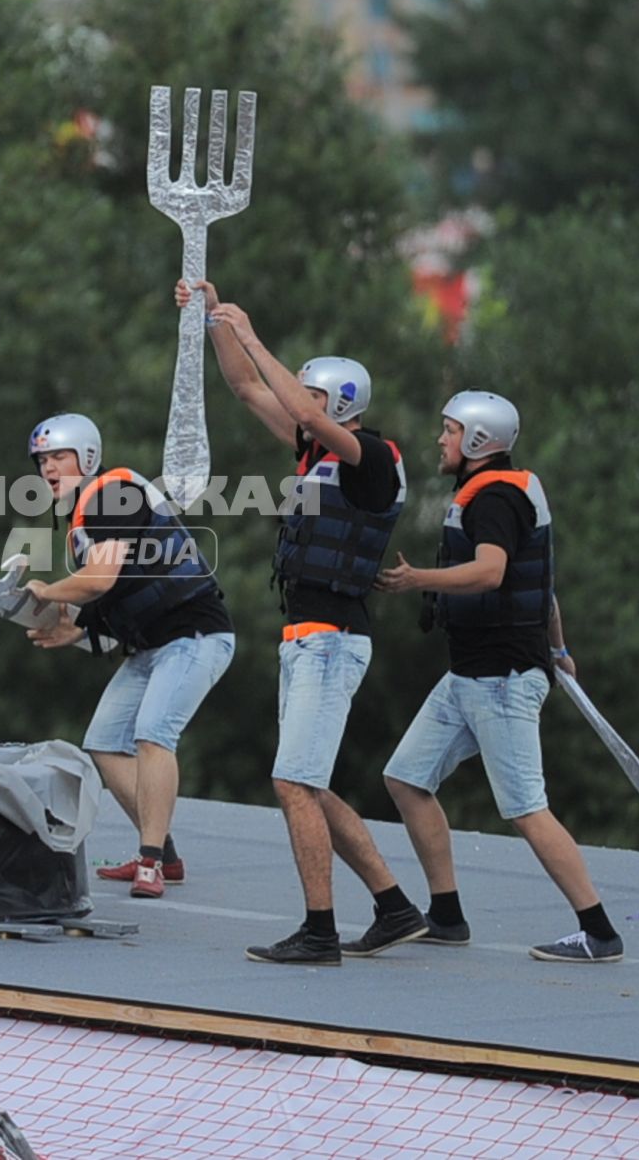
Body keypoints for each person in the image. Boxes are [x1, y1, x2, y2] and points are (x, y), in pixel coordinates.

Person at [187, 280, 428, 966]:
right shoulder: (317, 453)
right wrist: (217, 320)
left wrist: (258, 335)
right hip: (308, 640)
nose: (304, 407)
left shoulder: (373, 459)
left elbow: (293, 403)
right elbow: (245, 387)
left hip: (332, 640)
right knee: (310, 783)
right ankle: (393, 905)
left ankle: (319, 929)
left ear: (340, 406)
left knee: (291, 782)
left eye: (316, 398)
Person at [374, 391, 624, 963]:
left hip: (502, 680)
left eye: (450, 430)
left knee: (526, 808)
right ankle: (446, 916)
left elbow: (492, 573)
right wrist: (559, 649)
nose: (441, 439)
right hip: (470, 675)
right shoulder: (502, 491)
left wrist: (419, 580)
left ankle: (600, 932)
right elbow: (543, 586)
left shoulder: (492, 501)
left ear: (479, 441)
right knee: (406, 780)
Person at [22, 412, 236, 899]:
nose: (49, 469)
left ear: (88, 458)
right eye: (42, 461)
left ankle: (150, 862)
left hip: (195, 635)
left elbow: (98, 582)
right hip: (151, 647)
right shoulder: (84, 523)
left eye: (59, 457)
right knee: (103, 742)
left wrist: (46, 590)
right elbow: (113, 610)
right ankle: (165, 852)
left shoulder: (113, 492)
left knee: (153, 734)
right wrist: (70, 634)